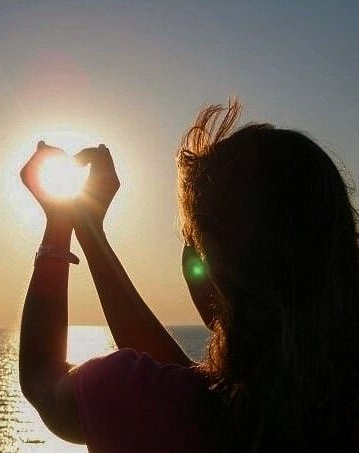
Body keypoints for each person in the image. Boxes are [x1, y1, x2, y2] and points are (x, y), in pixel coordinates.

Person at [18, 99, 359, 452]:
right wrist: (92, 235)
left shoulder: (142, 401)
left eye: (190, 240)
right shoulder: (331, 408)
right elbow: (187, 382)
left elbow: (42, 376)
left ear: (208, 278)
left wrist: (58, 223)